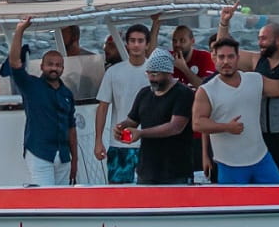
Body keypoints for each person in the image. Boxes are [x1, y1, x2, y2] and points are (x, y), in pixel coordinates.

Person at [218, 4, 279, 182]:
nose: (259, 43)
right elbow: (226, 50)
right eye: (259, 38)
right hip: (262, 133)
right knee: (266, 181)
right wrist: (224, 23)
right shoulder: (256, 60)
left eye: (264, 39)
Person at [192, 36, 279, 184]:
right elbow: (198, 124)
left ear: (238, 58)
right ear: (214, 58)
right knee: (235, 207)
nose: (226, 61)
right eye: (221, 57)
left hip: (261, 159)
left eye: (230, 56)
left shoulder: (255, 79)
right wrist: (226, 127)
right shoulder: (206, 90)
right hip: (229, 164)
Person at [1, 16, 80, 185]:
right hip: (39, 153)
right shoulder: (31, 86)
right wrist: (20, 30)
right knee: (45, 202)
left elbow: (71, 129)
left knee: (61, 205)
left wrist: (75, 160)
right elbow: (15, 62)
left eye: (58, 65)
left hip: (64, 156)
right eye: (50, 64)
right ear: (42, 67)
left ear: (62, 69)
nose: (54, 68)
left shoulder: (67, 93)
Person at [116, 49, 196, 185]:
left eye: (155, 74)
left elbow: (175, 127)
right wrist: (121, 127)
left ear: (168, 72)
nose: (152, 78)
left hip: (175, 171)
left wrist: (141, 133)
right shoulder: (144, 94)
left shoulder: (183, 94)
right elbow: (132, 120)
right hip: (147, 170)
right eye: (148, 74)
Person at [94, 21, 156, 184]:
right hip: (120, 144)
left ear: (147, 44)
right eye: (133, 40)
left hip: (150, 144)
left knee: (150, 194)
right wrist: (98, 141)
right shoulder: (113, 72)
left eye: (140, 41)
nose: (136, 45)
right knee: (118, 194)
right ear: (127, 44)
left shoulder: (156, 73)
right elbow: (103, 107)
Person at [58, 24, 107, 102]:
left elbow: (97, 88)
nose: (59, 36)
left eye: (62, 33)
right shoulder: (55, 60)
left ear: (75, 36)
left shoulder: (91, 60)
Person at [168, 24, 216, 89]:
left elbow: (207, 88)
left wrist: (184, 68)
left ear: (192, 41)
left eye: (182, 41)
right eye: (174, 41)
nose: (177, 44)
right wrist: (156, 25)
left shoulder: (205, 57)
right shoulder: (167, 57)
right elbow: (150, 55)